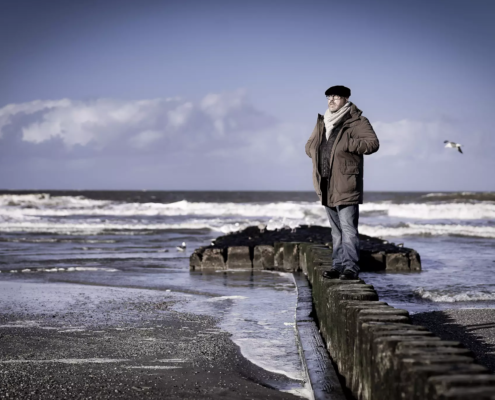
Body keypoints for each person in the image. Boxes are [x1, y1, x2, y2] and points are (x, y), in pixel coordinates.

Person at [305, 85, 379, 280]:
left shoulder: (357, 121)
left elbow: (373, 143)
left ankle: (351, 268)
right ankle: (338, 266)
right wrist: (313, 150)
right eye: (329, 97)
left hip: (346, 182)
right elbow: (310, 145)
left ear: (346, 99)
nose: (331, 100)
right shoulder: (323, 121)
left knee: (348, 229)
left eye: (336, 97)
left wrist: (348, 144)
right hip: (325, 182)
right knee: (336, 231)